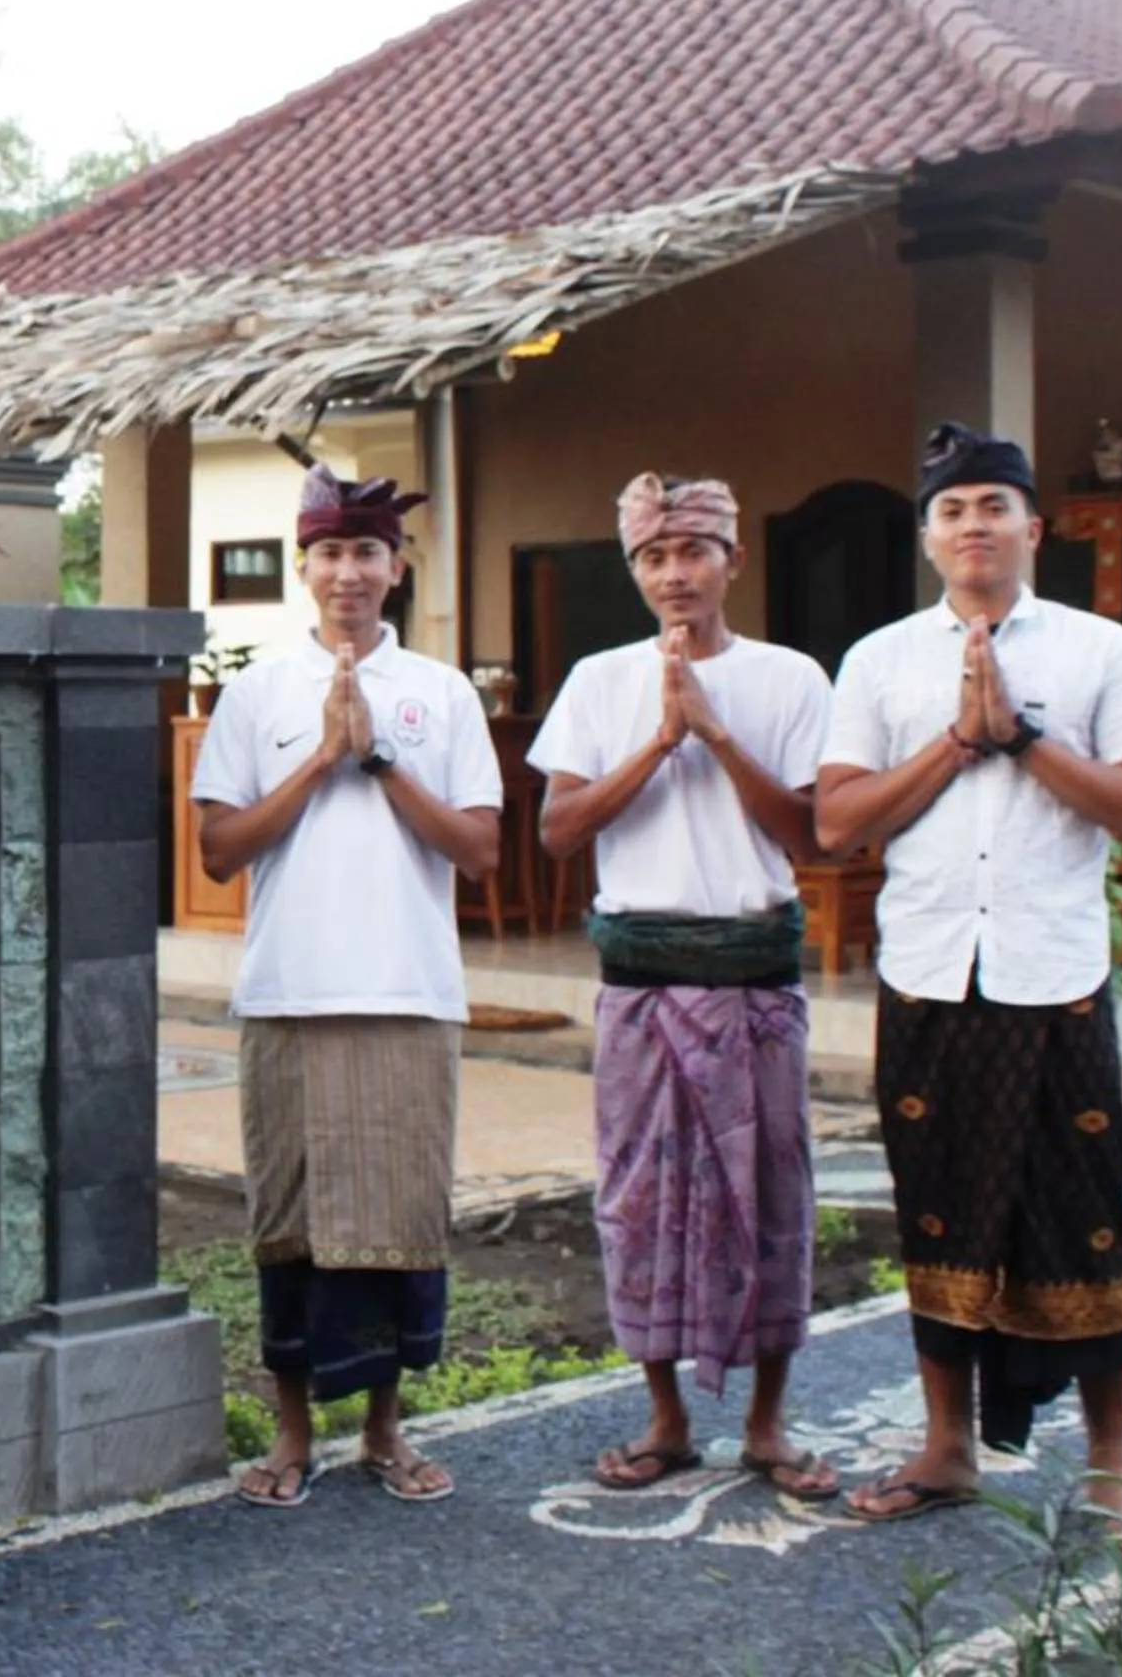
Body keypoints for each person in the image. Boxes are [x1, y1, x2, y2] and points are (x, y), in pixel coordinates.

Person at [816, 422, 1122, 1552]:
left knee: (1085, 1211)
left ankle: (1113, 1465)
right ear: (929, 535)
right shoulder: (878, 660)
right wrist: (957, 745)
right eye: (954, 508)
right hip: (929, 970)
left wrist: (1020, 734)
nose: (975, 524)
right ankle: (946, 1443)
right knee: (937, 1207)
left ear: (1037, 525)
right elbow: (836, 821)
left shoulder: (1097, 649)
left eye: (994, 505)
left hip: (1055, 970)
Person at [190, 464, 503, 1510]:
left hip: (408, 991)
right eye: (327, 552)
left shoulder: (441, 691)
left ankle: (382, 1430)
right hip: (288, 990)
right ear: (302, 565)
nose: (347, 572)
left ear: (397, 567)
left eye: (366, 552)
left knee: (398, 1219)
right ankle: (290, 1433)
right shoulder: (257, 688)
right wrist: (321, 756)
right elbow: (221, 850)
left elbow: (480, 847)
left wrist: (377, 762)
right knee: (290, 1215)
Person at [528, 473, 839, 1503]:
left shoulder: (791, 678)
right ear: (636, 570)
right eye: (654, 557)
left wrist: (713, 729)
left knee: (774, 1196)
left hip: (751, 976)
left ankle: (766, 1420)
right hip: (643, 982)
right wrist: (659, 740)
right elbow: (560, 831)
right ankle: (665, 1416)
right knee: (640, 1200)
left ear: (732, 563)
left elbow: (810, 836)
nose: (674, 573)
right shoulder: (599, 681)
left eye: (694, 552)